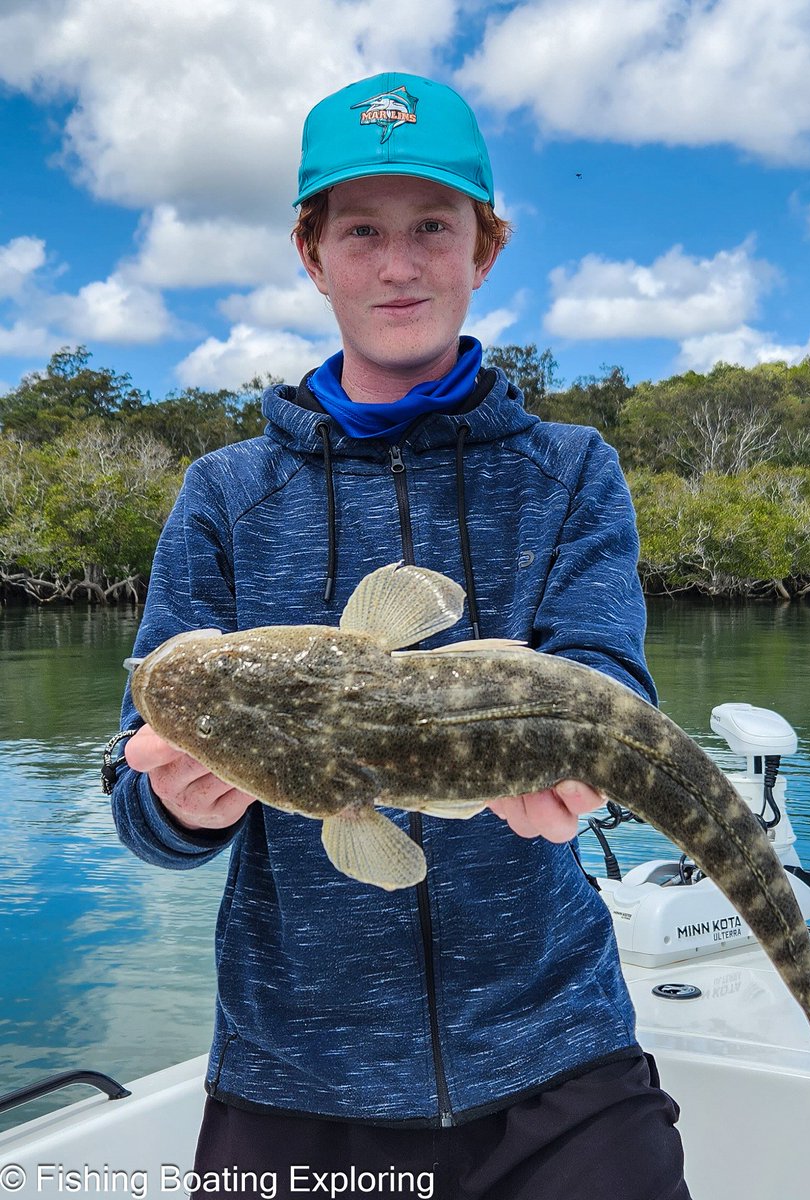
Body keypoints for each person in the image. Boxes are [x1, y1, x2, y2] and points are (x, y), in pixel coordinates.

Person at [111, 72, 691, 1200]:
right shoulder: (225, 494)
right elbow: (136, 793)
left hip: (555, 1059)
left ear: (486, 247)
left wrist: (579, 774)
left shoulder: (570, 470)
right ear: (311, 252)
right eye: (361, 230)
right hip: (294, 1076)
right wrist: (180, 805)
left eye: (434, 226)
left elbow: (605, 676)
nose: (398, 262)